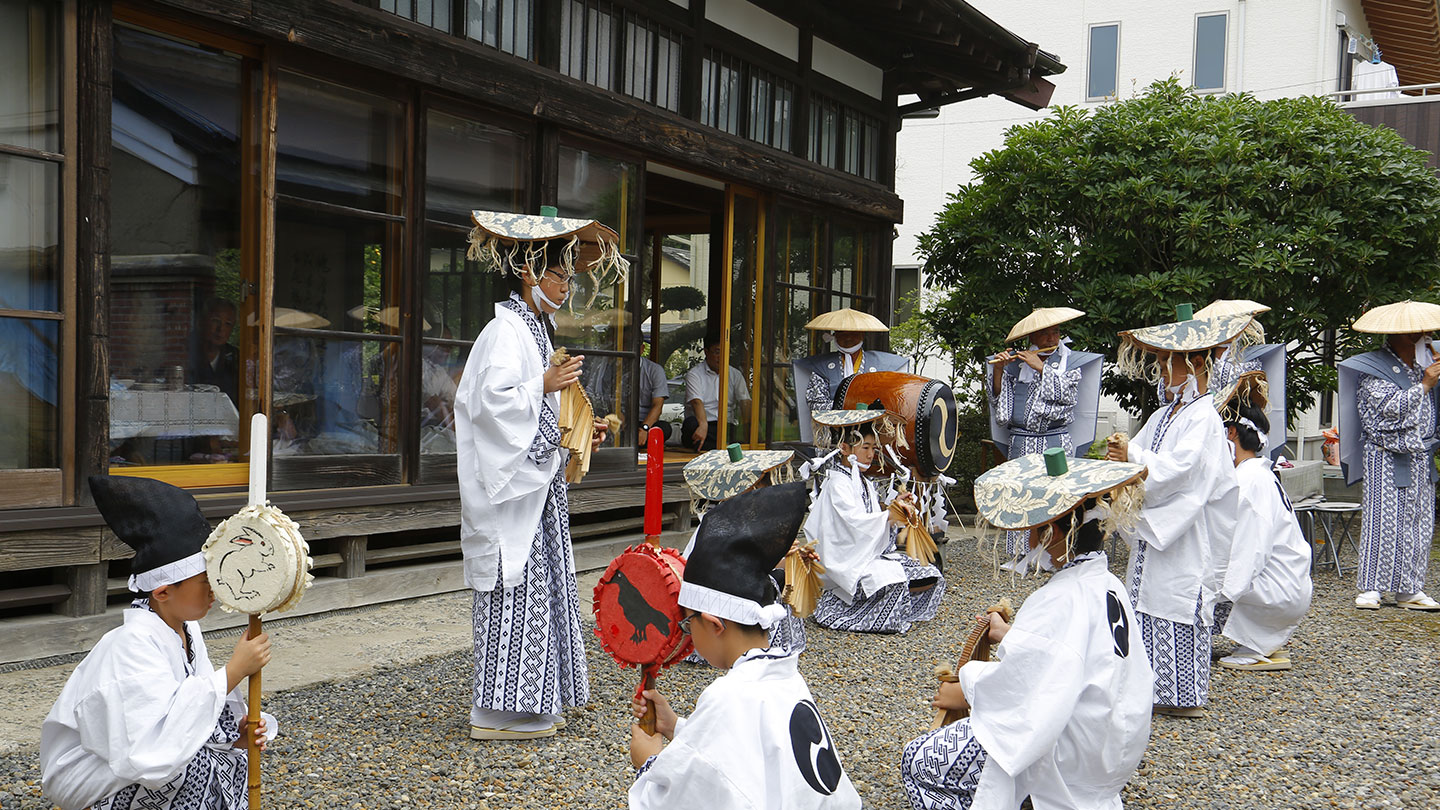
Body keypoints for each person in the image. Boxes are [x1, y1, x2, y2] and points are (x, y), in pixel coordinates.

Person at [456, 209, 623, 740]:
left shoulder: (534, 330)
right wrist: (543, 387)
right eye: (561, 274)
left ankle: (533, 702)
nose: (568, 284)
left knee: (537, 591)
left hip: (535, 485)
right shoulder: (504, 332)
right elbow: (492, 407)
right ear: (530, 272)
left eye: (570, 275)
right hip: (512, 492)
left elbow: (540, 412)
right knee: (516, 590)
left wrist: (576, 434)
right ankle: (500, 713)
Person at [901, 495, 1152, 810]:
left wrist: (966, 687)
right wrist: (1008, 636)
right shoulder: (1109, 584)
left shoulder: (1062, 595)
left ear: (1053, 532)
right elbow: (1062, 655)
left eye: (1035, 526)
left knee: (917, 760)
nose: (1031, 536)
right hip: (1109, 751)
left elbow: (1026, 688)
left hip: (1065, 753)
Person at [41, 476, 274, 810]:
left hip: (142, 753)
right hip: (89, 772)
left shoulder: (187, 629)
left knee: (230, 763)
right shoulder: (130, 645)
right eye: (205, 581)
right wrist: (233, 672)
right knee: (190, 772)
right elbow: (146, 750)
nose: (215, 590)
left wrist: (235, 734)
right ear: (163, 592)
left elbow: (184, 714)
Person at [628, 483, 863, 809]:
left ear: (713, 624)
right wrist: (677, 727)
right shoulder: (785, 677)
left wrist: (650, 762)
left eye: (689, 623)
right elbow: (743, 759)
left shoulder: (729, 695)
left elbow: (701, 793)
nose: (689, 633)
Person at [1107, 307, 1245, 717]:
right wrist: (1121, 456)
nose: (1161, 370)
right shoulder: (1163, 415)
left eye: (1167, 361)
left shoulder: (1203, 417)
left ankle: (1181, 696)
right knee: (1147, 598)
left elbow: (1180, 470)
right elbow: (1145, 460)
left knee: (1175, 597)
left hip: (1186, 533)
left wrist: (1131, 453)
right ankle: (1145, 689)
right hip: (1158, 531)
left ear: (1196, 362)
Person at [1338, 301, 1440, 611]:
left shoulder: (1426, 366)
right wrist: (1424, 386)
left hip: (1421, 455)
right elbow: (1386, 411)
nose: (1426, 337)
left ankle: (1410, 588)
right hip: (1386, 455)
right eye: (1419, 334)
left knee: (1419, 524)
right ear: (1401, 336)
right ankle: (1372, 587)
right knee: (1383, 522)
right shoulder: (1374, 367)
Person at [806, 418, 944, 634]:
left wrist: (896, 510)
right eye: (865, 448)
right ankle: (836, 605)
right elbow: (852, 524)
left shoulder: (864, 482)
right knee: (895, 582)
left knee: (930, 574)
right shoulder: (837, 484)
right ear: (844, 448)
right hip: (847, 563)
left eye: (874, 448)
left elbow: (872, 520)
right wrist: (888, 515)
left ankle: (883, 606)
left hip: (868, 556)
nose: (871, 455)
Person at [1213, 374, 1313, 670]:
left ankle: (1257, 645)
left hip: (1279, 589)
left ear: (1230, 434)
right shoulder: (1257, 473)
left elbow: (1250, 551)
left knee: (1201, 577)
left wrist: (1215, 593)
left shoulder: (1250, 480)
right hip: (1287, 584)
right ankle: (1264, 641)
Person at [988, 306, 1095, 559]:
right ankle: (1020, 553)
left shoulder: (1070, 362)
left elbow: (1067, 397)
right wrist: (1000, 370)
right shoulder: (1016, 363)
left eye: (1055, 332)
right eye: (1045, 334)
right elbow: (1001, 410)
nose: (1051, 339)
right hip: (1021, 441)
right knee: (1020, 494)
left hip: (1054, 441)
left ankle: (1055, 552)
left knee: (1055, 496)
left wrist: (1042, 369)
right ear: (1032, 338)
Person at [794, 307, 908, 437]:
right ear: (834, 336)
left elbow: (892, 401)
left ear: (862, 335)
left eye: (853, 333)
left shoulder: (882, 365)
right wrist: (848, 407)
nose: (848, 338)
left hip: (870, 434)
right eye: (842, 333)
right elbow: (816, 404)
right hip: (833, 434)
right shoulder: (822, 367)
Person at [683, 335, 750, 452]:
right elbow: (696, 402)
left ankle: (717, 444)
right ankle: (724, 445)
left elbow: (745, 402)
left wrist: (749, 428)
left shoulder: (735, 374)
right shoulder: (694, 374)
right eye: (717, 352)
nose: (722, 357)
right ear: (706, 352)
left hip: (725, 426)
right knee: (691, 425)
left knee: (730, 432)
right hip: (702, 423)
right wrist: (703, 425)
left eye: (726, 352)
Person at [189, 297, 240, 405]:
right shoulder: (185, 353)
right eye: (215, 321)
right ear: (200, 322)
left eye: (228, 324)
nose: (220, 329)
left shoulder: (236, 358)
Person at [638, 336, 672, 446]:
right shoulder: (613, 368)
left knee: (664, 429)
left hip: (645, 422)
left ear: (642, 349)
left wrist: (644, 428)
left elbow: (658, 405)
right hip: (622, 423)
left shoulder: (655, 370)